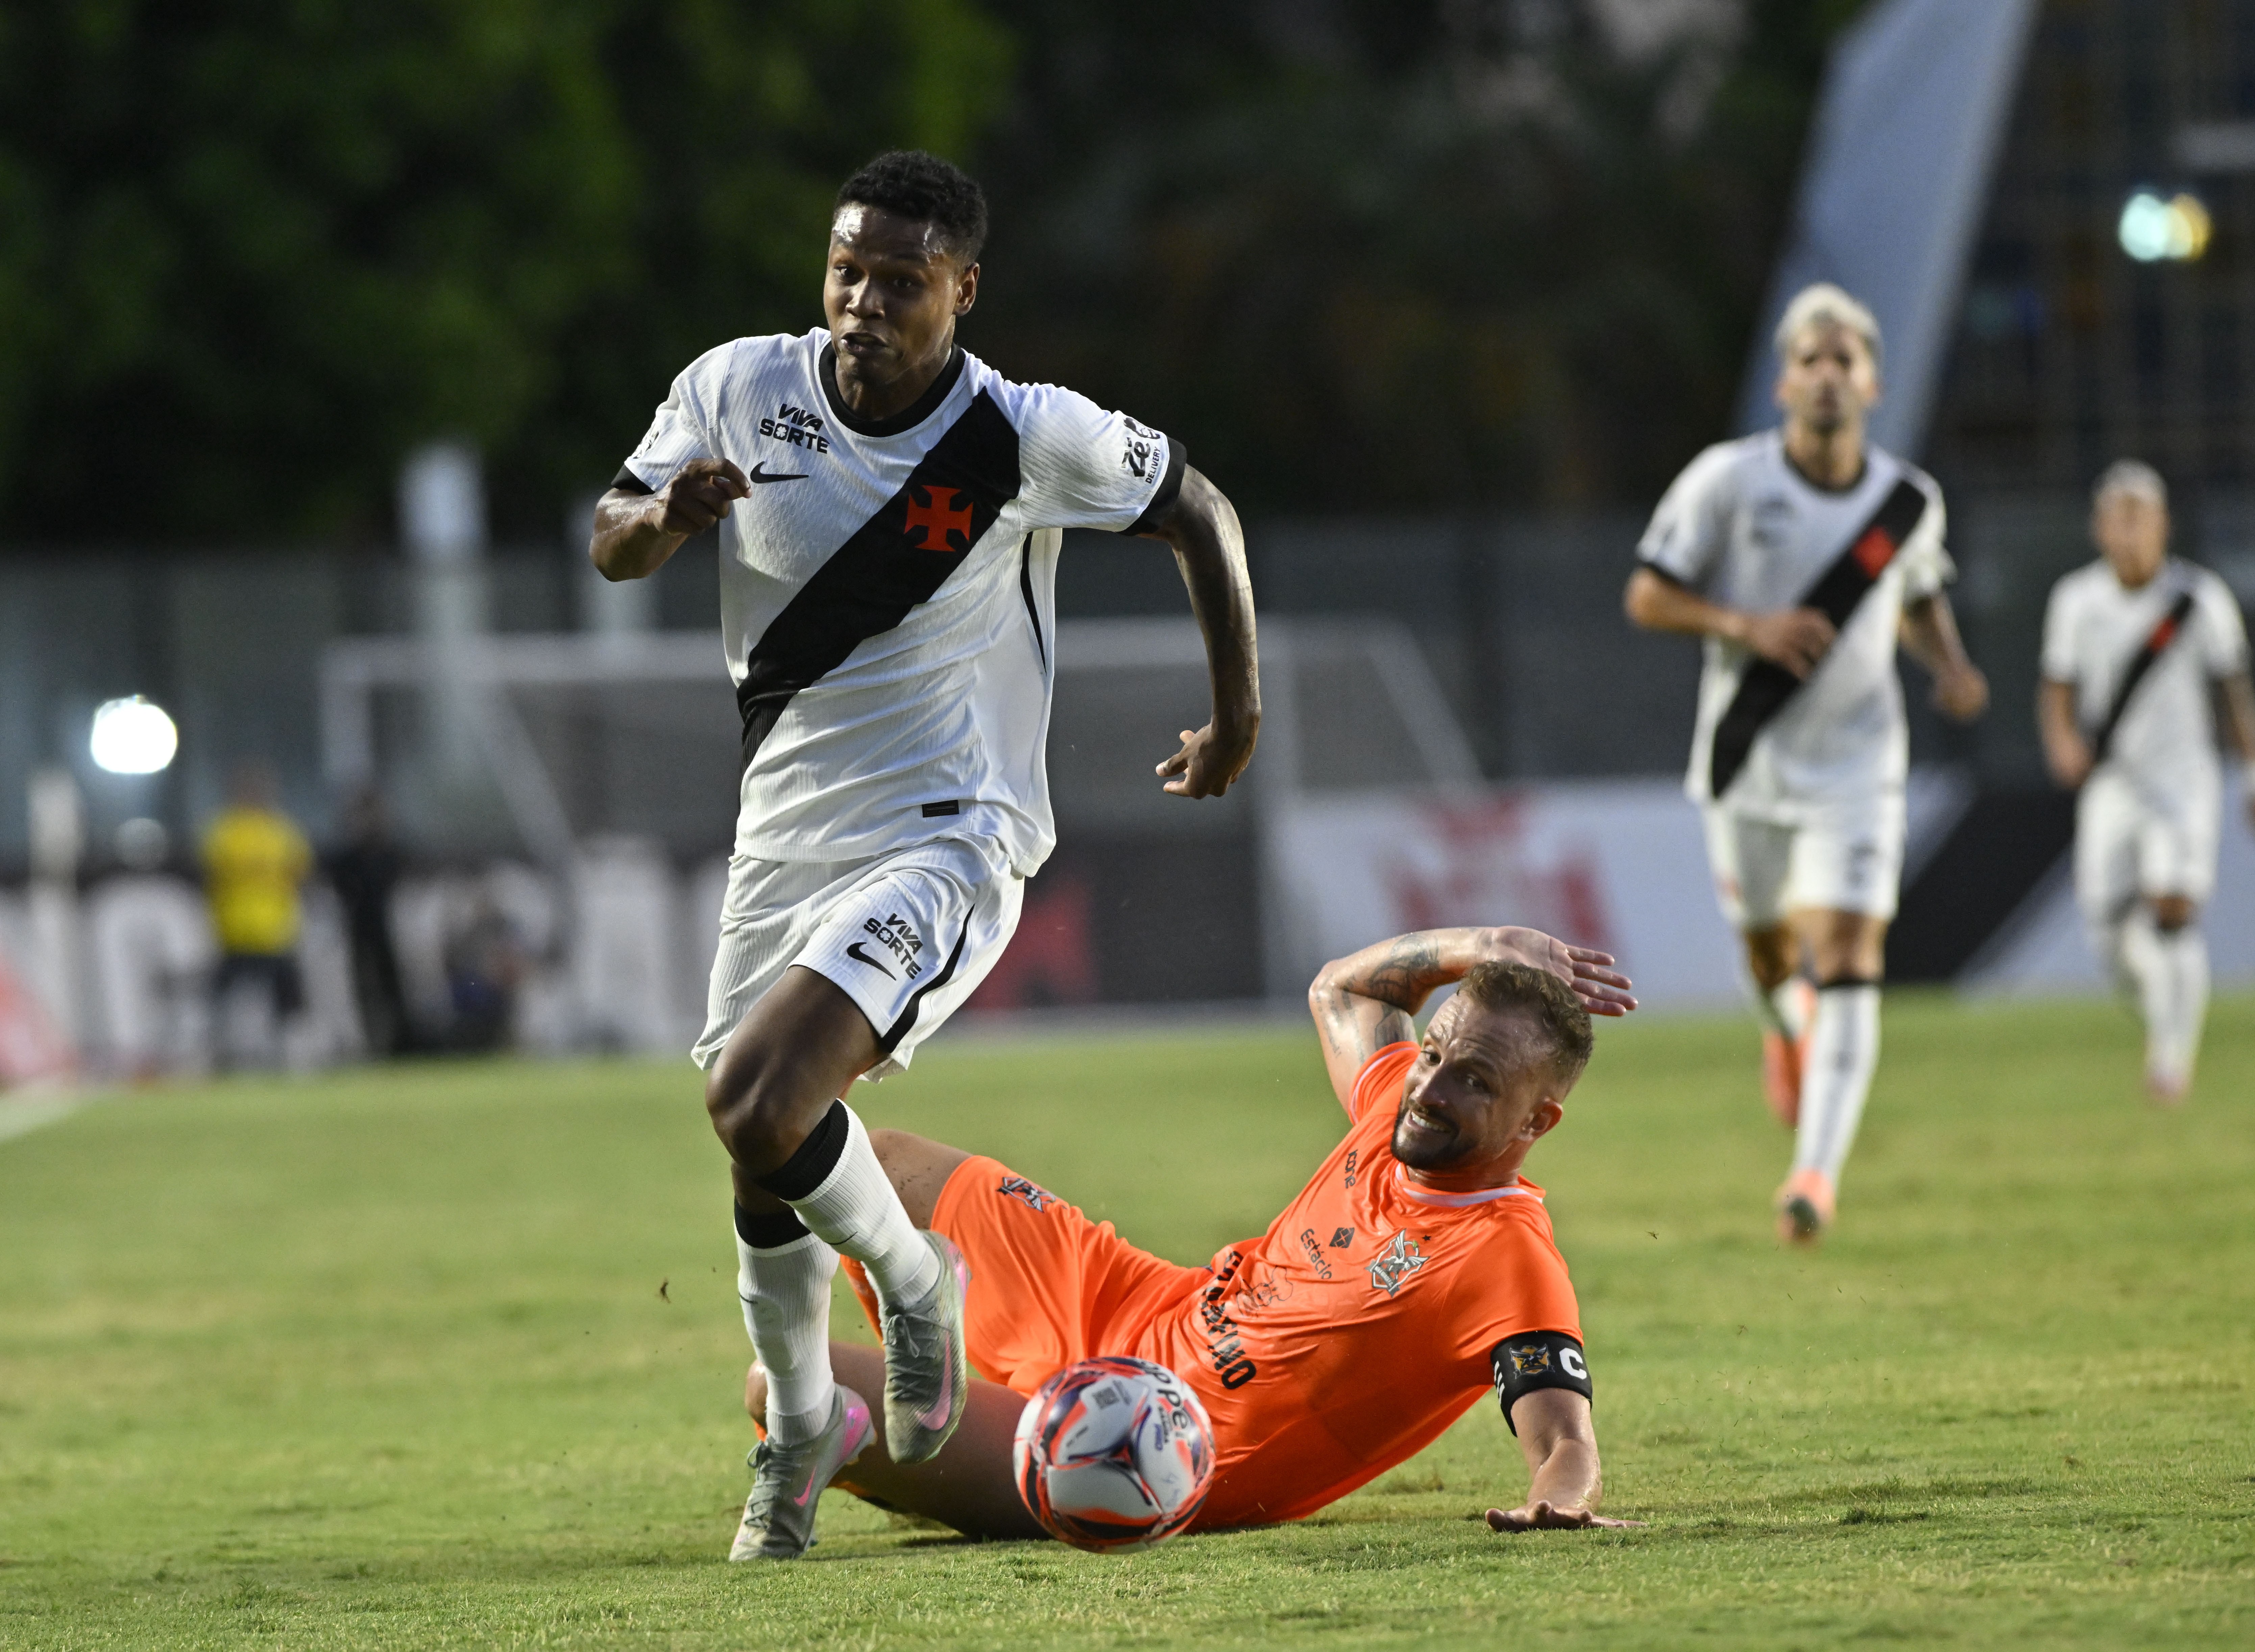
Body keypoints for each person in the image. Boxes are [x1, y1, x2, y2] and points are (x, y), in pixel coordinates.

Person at [585, 150, 1261, 1558]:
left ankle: (915, 1280)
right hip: (785, 833)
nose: (865, 301)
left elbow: (1201, 508)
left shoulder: (1024, 434)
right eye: (848, 269)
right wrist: (665, 520)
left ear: (964, 290)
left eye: (902, 280)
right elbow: (611, 538)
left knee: (765, 1096)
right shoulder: (736, 386)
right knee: (760, 1144)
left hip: (950, 832)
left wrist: (1237, 715)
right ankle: (800, 1425)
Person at [736, 924, 1639, 1547]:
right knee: (878, 1165)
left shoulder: (1506, 1254)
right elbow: (1347, 986)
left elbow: (1564, 1438)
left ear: (1538, 1120)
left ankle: (941, 1453)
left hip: (1153, 1442)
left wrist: (1560, 1501)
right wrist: (1481, 944)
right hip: (1137, 1302)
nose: (1430, 1089)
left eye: (1474, 1081)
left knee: (783, 1386)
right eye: (1434, 1054)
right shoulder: (1396, 1104)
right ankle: (939, 1408)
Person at [1623, 282, 1989, 1244]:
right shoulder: (1726, 482)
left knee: (1851, 954)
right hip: (1747, 755)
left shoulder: (1908, 503)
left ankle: (1813, 1177)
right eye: (1810, 360)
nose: (1827, 374)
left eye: (1845, 360)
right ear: (1785, 383)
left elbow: (1917, 595)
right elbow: (1648, 595)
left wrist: (1950, 667)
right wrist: (1747, 626)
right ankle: (1785, 1032)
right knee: (1770, 958)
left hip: (1861, 768)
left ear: (1872, 384)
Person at [2038, 461, 2255, 1103]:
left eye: (2141, 518)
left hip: (2183, 779)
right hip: (2113, 783)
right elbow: (2056, 684)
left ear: (2163, 525)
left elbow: (2233, 693)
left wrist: (2251, 771)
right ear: (2099, 528)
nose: (2130, 532)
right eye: (2119, 518)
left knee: (2173, 910)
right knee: (2107, 928)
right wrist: (2062, 742)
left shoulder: (2199, 598)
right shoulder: (2076, 600)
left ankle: (2170, 1063)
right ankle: (2164, 1013)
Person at [201, 761, 313, 1068]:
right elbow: (211, 875)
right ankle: (220, 1054)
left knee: (287, 998)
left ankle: (292, 1056)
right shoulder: (224, 830)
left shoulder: (282, 830)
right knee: (224, 997)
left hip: (276, 929)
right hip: (235, 930)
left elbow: (301, 873)